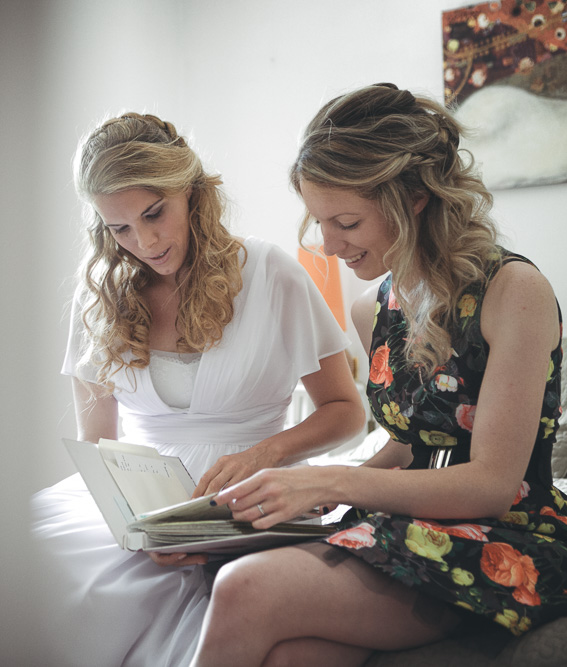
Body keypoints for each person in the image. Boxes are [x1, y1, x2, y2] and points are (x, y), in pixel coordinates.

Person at [189, 83, 567, 667]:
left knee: (245, 585)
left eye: (346, 222)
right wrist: (328, 492)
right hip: (417, 518)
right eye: (318, 222)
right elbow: (414, 444)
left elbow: (491, 484)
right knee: (290, 654)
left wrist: (330, 483)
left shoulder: (513, 292)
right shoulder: (373, 308)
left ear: (414, 197)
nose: (329, 245)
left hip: (510, 537)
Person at [30, 112, 365, 666]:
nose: (145, 241)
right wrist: (139, 525)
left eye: (154, 213)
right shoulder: (100, 298)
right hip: (145, 502)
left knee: (218, 597)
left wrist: (266, 452)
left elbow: (345, 411)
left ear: (189, 190)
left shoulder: (269, 272)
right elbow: (98, 447)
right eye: (120, 229)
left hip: (254, 488)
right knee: (24, 562)